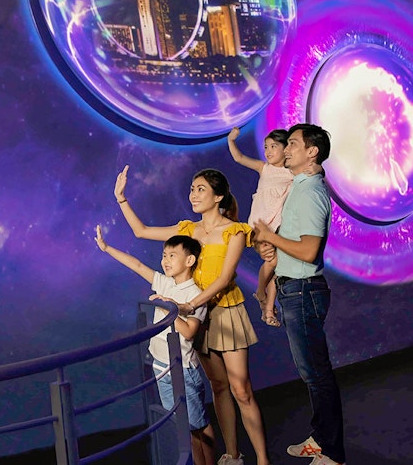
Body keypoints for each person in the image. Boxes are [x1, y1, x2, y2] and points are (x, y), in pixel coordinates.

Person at [114, 165, 271, 465]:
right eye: (191, 189)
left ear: (219, 196)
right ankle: (232, 455)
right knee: (219, 387)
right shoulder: (188, 229)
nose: (193, 194)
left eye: (200, 189)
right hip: (197, 317)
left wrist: (188, 305)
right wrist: (121, 199)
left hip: (224, 312)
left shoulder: (234, 231)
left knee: (241, 388)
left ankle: (263, 460)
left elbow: (224, 279)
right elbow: (141, 231)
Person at [252, 123, 346, 465]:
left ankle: (333, 453)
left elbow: (308, 251)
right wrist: (272, 248)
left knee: (318, 375)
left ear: (312, 152)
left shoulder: (310, 192)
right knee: (312, 374)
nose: (285, 149)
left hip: (304, 291)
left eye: (292, 144)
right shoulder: (299, 187)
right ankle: (321, 439)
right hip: (295, 289)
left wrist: (270, 237)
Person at [94, 226, 217, 465]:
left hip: (182, 369)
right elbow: (138, 265)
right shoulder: (163, 282)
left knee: (199, 424)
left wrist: (167, 308)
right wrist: (107, 248)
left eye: (172, 255)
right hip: (162, 367)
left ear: (190, 260)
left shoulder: (196, 294)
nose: (166, 260)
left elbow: (190, 331)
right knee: (183, 425)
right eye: (164, 255)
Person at [227, 126, 321, 328]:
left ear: (285, 148)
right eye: (265, 147)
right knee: (274, 261)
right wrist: (231, 140)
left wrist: (319, 168)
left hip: (276, 228)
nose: (268, 151)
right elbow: (239, 158)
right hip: (260, 227)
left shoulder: (291, 173)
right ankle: (261, 291)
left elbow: (313, 170)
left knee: (279, 266)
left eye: (273, 146)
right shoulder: (264, 168)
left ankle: (268, 309)